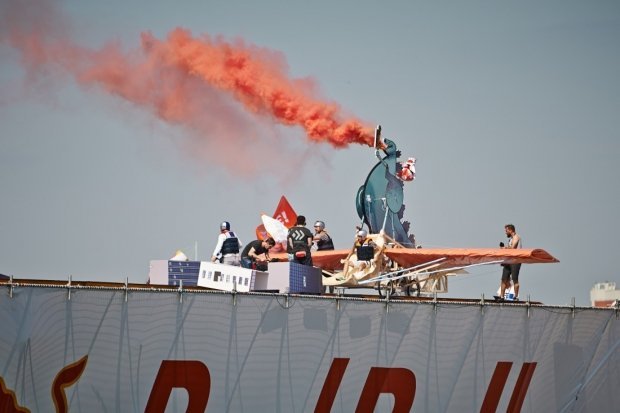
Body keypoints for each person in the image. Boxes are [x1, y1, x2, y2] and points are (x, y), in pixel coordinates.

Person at [499, 223, 522, 300]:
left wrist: (504, 248)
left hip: (516, 261)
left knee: (515, 279)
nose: (505, 232)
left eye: (506, 231)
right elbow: (510, 249)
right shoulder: (511, 239)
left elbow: (513, 248)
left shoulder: (516, 237)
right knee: (503, 279)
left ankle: (516, 297)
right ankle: (501, 297)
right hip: (508, 261)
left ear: (510, 230)